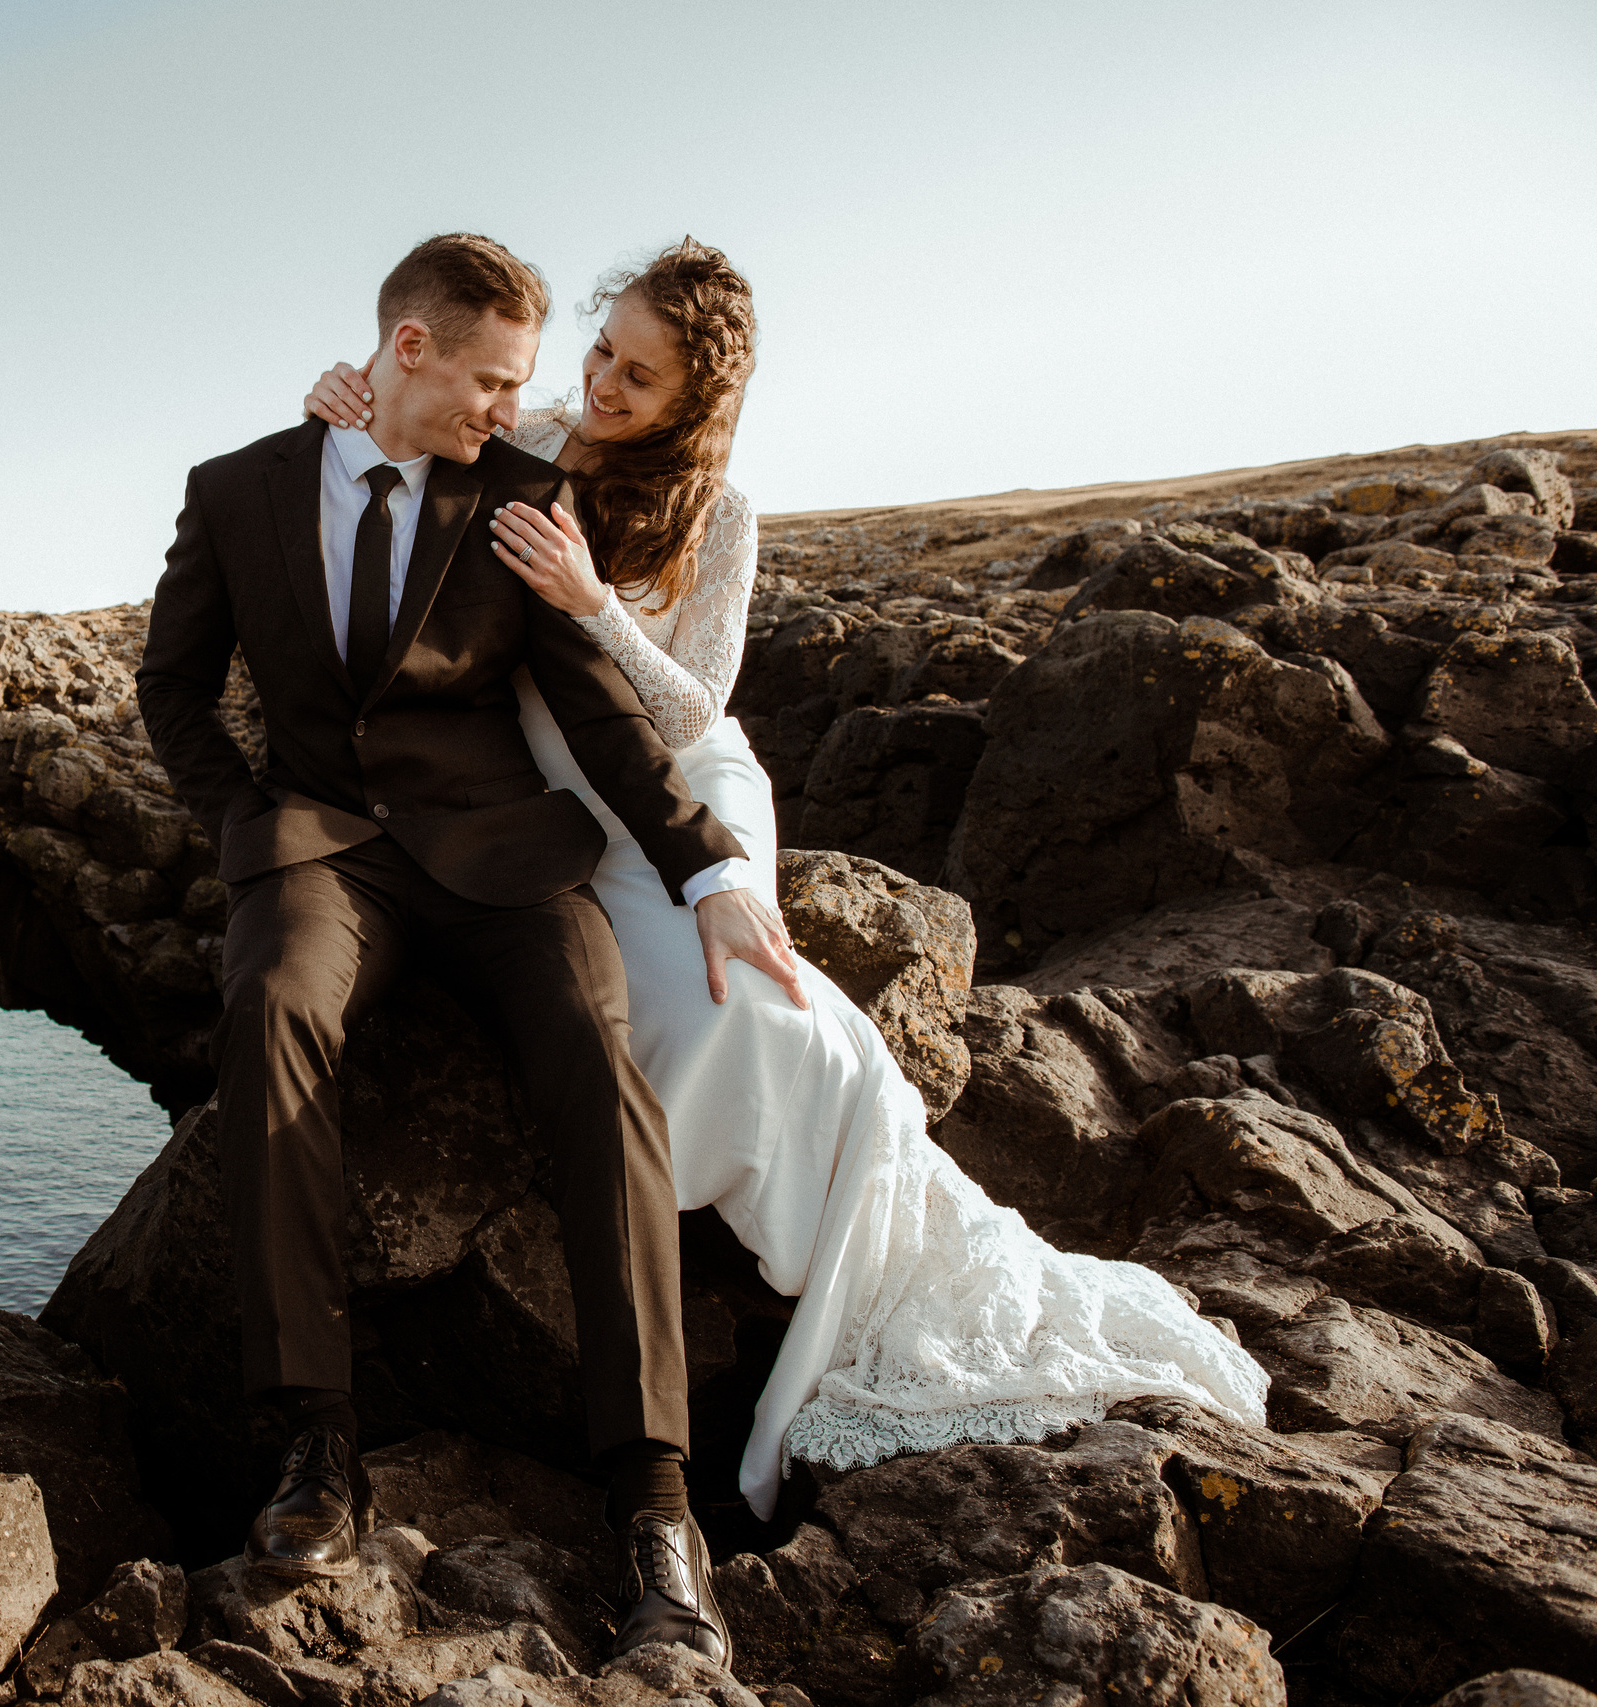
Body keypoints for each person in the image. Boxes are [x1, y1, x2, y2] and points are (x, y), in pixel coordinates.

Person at [303, 238, 1269, 1521]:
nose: (600, 384)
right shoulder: (528, 432)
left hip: (686, 782)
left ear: (697, 399)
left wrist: (596, 605)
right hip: (552, 790)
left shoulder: (724, 514)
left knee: (756, 1001)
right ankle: (770, 1231)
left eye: (638, 377)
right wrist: (340, 395)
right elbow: (407, 431)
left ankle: (848, 1267)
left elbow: (695, 701)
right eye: (600, 351)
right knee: (668, 1011)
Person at [139, 233, 797, 1664]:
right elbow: (171, 684)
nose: (520, 404)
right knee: (269, 1009)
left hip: (504, 854)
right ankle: (315, 1442)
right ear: (409, 348)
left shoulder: (518, 492)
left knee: (593, 1044)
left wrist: (707, 869)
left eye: (528, 379)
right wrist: (241, 818)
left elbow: (605, 710)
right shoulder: (238, 489)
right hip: (319, 848)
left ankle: (655, 1500)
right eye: (493, 377)